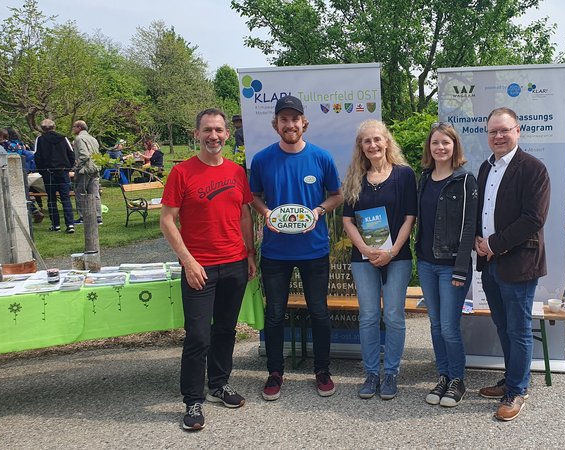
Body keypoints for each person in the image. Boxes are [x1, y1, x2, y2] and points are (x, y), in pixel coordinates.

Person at [160, 108, 257, 431]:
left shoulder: (236, 173)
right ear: (196, 134)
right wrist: (187, 261)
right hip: (199, 266)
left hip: (234, 263)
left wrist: (250, 254)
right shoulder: (182, 173)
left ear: (227, 134)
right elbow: (167, 220)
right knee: (198, 336)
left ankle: (219, 384)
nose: (213, 136)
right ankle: (192, 400)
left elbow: (245, 215)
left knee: (226, 330)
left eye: (218, 130)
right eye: (207, 130)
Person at [248, 95, 343, 401]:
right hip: (276, 252)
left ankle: (322, 370)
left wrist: (318, 211)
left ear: (304, 123)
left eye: (295, 119)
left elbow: (336, 196)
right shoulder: (262, 159)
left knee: (319, 312)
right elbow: (254, 196)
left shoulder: (322, 157)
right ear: (276, 124)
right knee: (275, 314)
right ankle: (275, 372)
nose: (290, 124)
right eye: (284, 119)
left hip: (314, 250)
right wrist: (265, 213)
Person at [475, 107, 550, 422]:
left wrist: (493, 244)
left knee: (518, 329)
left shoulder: (533, 169)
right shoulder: (485, 168)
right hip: (489, 264)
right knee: (503, 326)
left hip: (519, 263)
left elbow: (533, 219)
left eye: (504, 130)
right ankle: (511, 378)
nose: (498, 136)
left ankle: (518, 390)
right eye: (493, 131)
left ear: (518, 131)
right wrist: (481, 244)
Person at [341, 119, 417, 400]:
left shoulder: (404, 175)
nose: (373, 145)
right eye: (366, 141)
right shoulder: (354, 178)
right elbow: (348, 221)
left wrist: (392, 251)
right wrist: (366, 250)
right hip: (363, 259)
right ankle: (372, 373)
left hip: (397, 257)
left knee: (395, 316)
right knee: (369, 316)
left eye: (377, 139)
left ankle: (392, 373)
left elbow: (410, 217)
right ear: (361, 147)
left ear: (387, 142)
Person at [415, 122, 477, 407]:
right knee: (436, 324)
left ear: (455, 146)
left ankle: (457, 380)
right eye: (435, 143)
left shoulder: (465, 181)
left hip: (452, 265)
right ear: (430, 147)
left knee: (450, 327)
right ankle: (442, 376)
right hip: (427, 264)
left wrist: (461, 268)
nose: (440, 147)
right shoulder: (425, 178)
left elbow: (468, 228)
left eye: (446, 143)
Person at [34, 119, 76, 233]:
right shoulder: (63, 138)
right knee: (65, 198)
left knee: (51, 199)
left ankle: (56, 224)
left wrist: (42, 171)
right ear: (54, 127)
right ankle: (70, 224)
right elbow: (71, 154)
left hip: (49, 173)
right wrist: (68, 168)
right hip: (62, 171)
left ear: (42, 129)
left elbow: (37, 157)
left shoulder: (40, 140)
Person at [71, 120, 103, 226]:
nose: (73, 128)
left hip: (85, 169)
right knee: (95, 193)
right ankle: (98, 218)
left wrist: (76, 166)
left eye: (74, 126)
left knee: (80, 193)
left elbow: (84, 155)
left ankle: (83, 217)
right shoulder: (93, 139)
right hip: (96, 168)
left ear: (79, 127)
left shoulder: (79, 138)